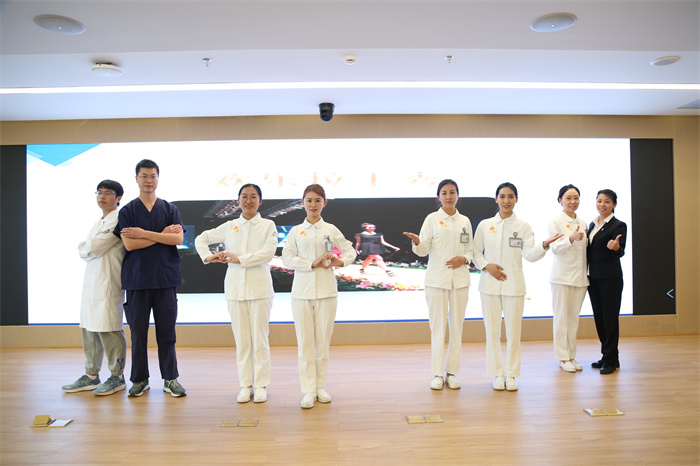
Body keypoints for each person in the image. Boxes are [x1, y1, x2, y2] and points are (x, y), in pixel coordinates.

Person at [472, 182, 562, 391]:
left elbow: (530, 254)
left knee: (513, 333)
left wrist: (544, 244)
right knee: (492, 332)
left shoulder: (523, 227)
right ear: (496, 199)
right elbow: (475, 251)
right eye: (502, 196)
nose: (506, 201)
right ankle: (497, 374)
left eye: (510, 196)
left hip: (513, 286)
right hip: (489, 286)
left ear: (516, 199)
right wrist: (487, 265)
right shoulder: (485, 225)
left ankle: (511, 374)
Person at [194, 183, 277, 403]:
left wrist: (240, 259)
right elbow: (201, 238)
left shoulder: (268, 225)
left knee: (260, 339)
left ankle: (261, 385)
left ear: (260, 201)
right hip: (234, 289)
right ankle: (245, 385)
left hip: (260, 288)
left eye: (253, 196)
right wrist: (209, 256)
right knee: (242, 340)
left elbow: (267, 253)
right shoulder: (230, 226)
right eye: (244, 196)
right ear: (238, 201)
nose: (248, 201)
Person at [113, 159, 186, 397]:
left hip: (165, 279)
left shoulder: (170, 209)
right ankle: (139, 379)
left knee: (167, 333)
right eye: (144, 176)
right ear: (136, 179)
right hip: (138, 280)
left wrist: (144, 233)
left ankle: (170, 379)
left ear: (158, 178)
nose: (148, 180)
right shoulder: (127, 211)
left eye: (153, 176)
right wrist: (161, 235)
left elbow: (177, 239)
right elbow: (130, 244)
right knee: (138, 333)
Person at [281, 184, 356, 409]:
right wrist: (310, 263)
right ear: (302, 203)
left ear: (324, 203)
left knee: (322, 343)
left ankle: (320, 387)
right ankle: (308, 390)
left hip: (326, 292)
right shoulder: (296, 231)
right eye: (309, 200)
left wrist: (340, 261)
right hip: (301, 293)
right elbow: (287, 258)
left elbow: (350, 250)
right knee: (305, 343)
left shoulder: (331, 229)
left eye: (317, 200)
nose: (313, 204)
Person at [403, 179, 473, 391]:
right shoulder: (432, 219)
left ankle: (452, 372)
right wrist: (417, 241)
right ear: (438, 197)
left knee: (457, 328)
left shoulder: (465, 221)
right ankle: (437, 373)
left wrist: (465, 259)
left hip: (460, 281)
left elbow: (470, 249)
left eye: (452, 192)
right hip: (436, 281)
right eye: (444, 193)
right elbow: (423, 250)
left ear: (458, 195)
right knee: (437, 328)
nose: (448, 196)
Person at [62, 180, 128, 396]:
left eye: (108, 193)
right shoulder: (100, 221)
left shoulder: (118, 219)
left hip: (109, 282)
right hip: (92, 282)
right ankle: (91, 376)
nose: (102, 196)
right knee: (89, 328)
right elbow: (88, 248)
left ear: (118, 198)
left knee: (109, 329)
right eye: (99, 192)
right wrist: (86, 248)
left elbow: (94, 247)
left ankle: (117, 376)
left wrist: (85, 247)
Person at [549, 184, 589, 373]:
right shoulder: (556, 222)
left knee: (573, 319)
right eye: (568, 198)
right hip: (562, 278)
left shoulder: (584, 223)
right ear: (560, 200)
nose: (573, 201)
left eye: (576, 198)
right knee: (561, 319)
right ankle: (563, 357)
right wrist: (570, 238)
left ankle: (571, 355)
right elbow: (555, 248)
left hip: (580, 278)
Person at [587, 189, 626, 375]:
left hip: (610, 279)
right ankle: (609, 356)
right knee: (600, 319)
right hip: (593, 278)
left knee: (610, 319)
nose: (602, 204)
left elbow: (620, 250)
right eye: (599, 200)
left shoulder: (618, 225)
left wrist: (616, 247)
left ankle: (610, 360)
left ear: (614, 205)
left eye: (607, 201)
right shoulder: (592, 224)